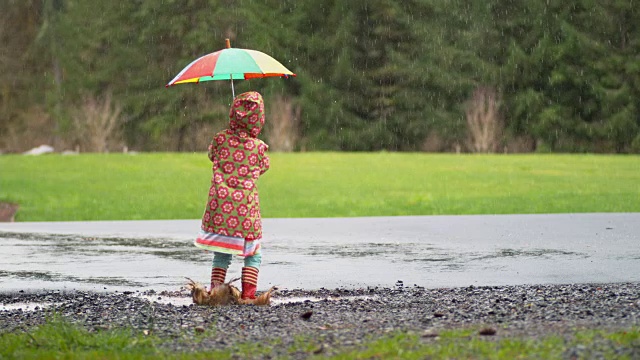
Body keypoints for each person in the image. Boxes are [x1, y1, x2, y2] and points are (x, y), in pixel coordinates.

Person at [195, 91, 270, 300]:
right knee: (253, 254)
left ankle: (215, 292)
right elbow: (264, 166)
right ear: (259, 119)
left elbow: (211, 155)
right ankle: (248, 295)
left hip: (220, 210)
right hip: (246, 212)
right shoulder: (258, 147)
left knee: (222, 251)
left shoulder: (220, 139)